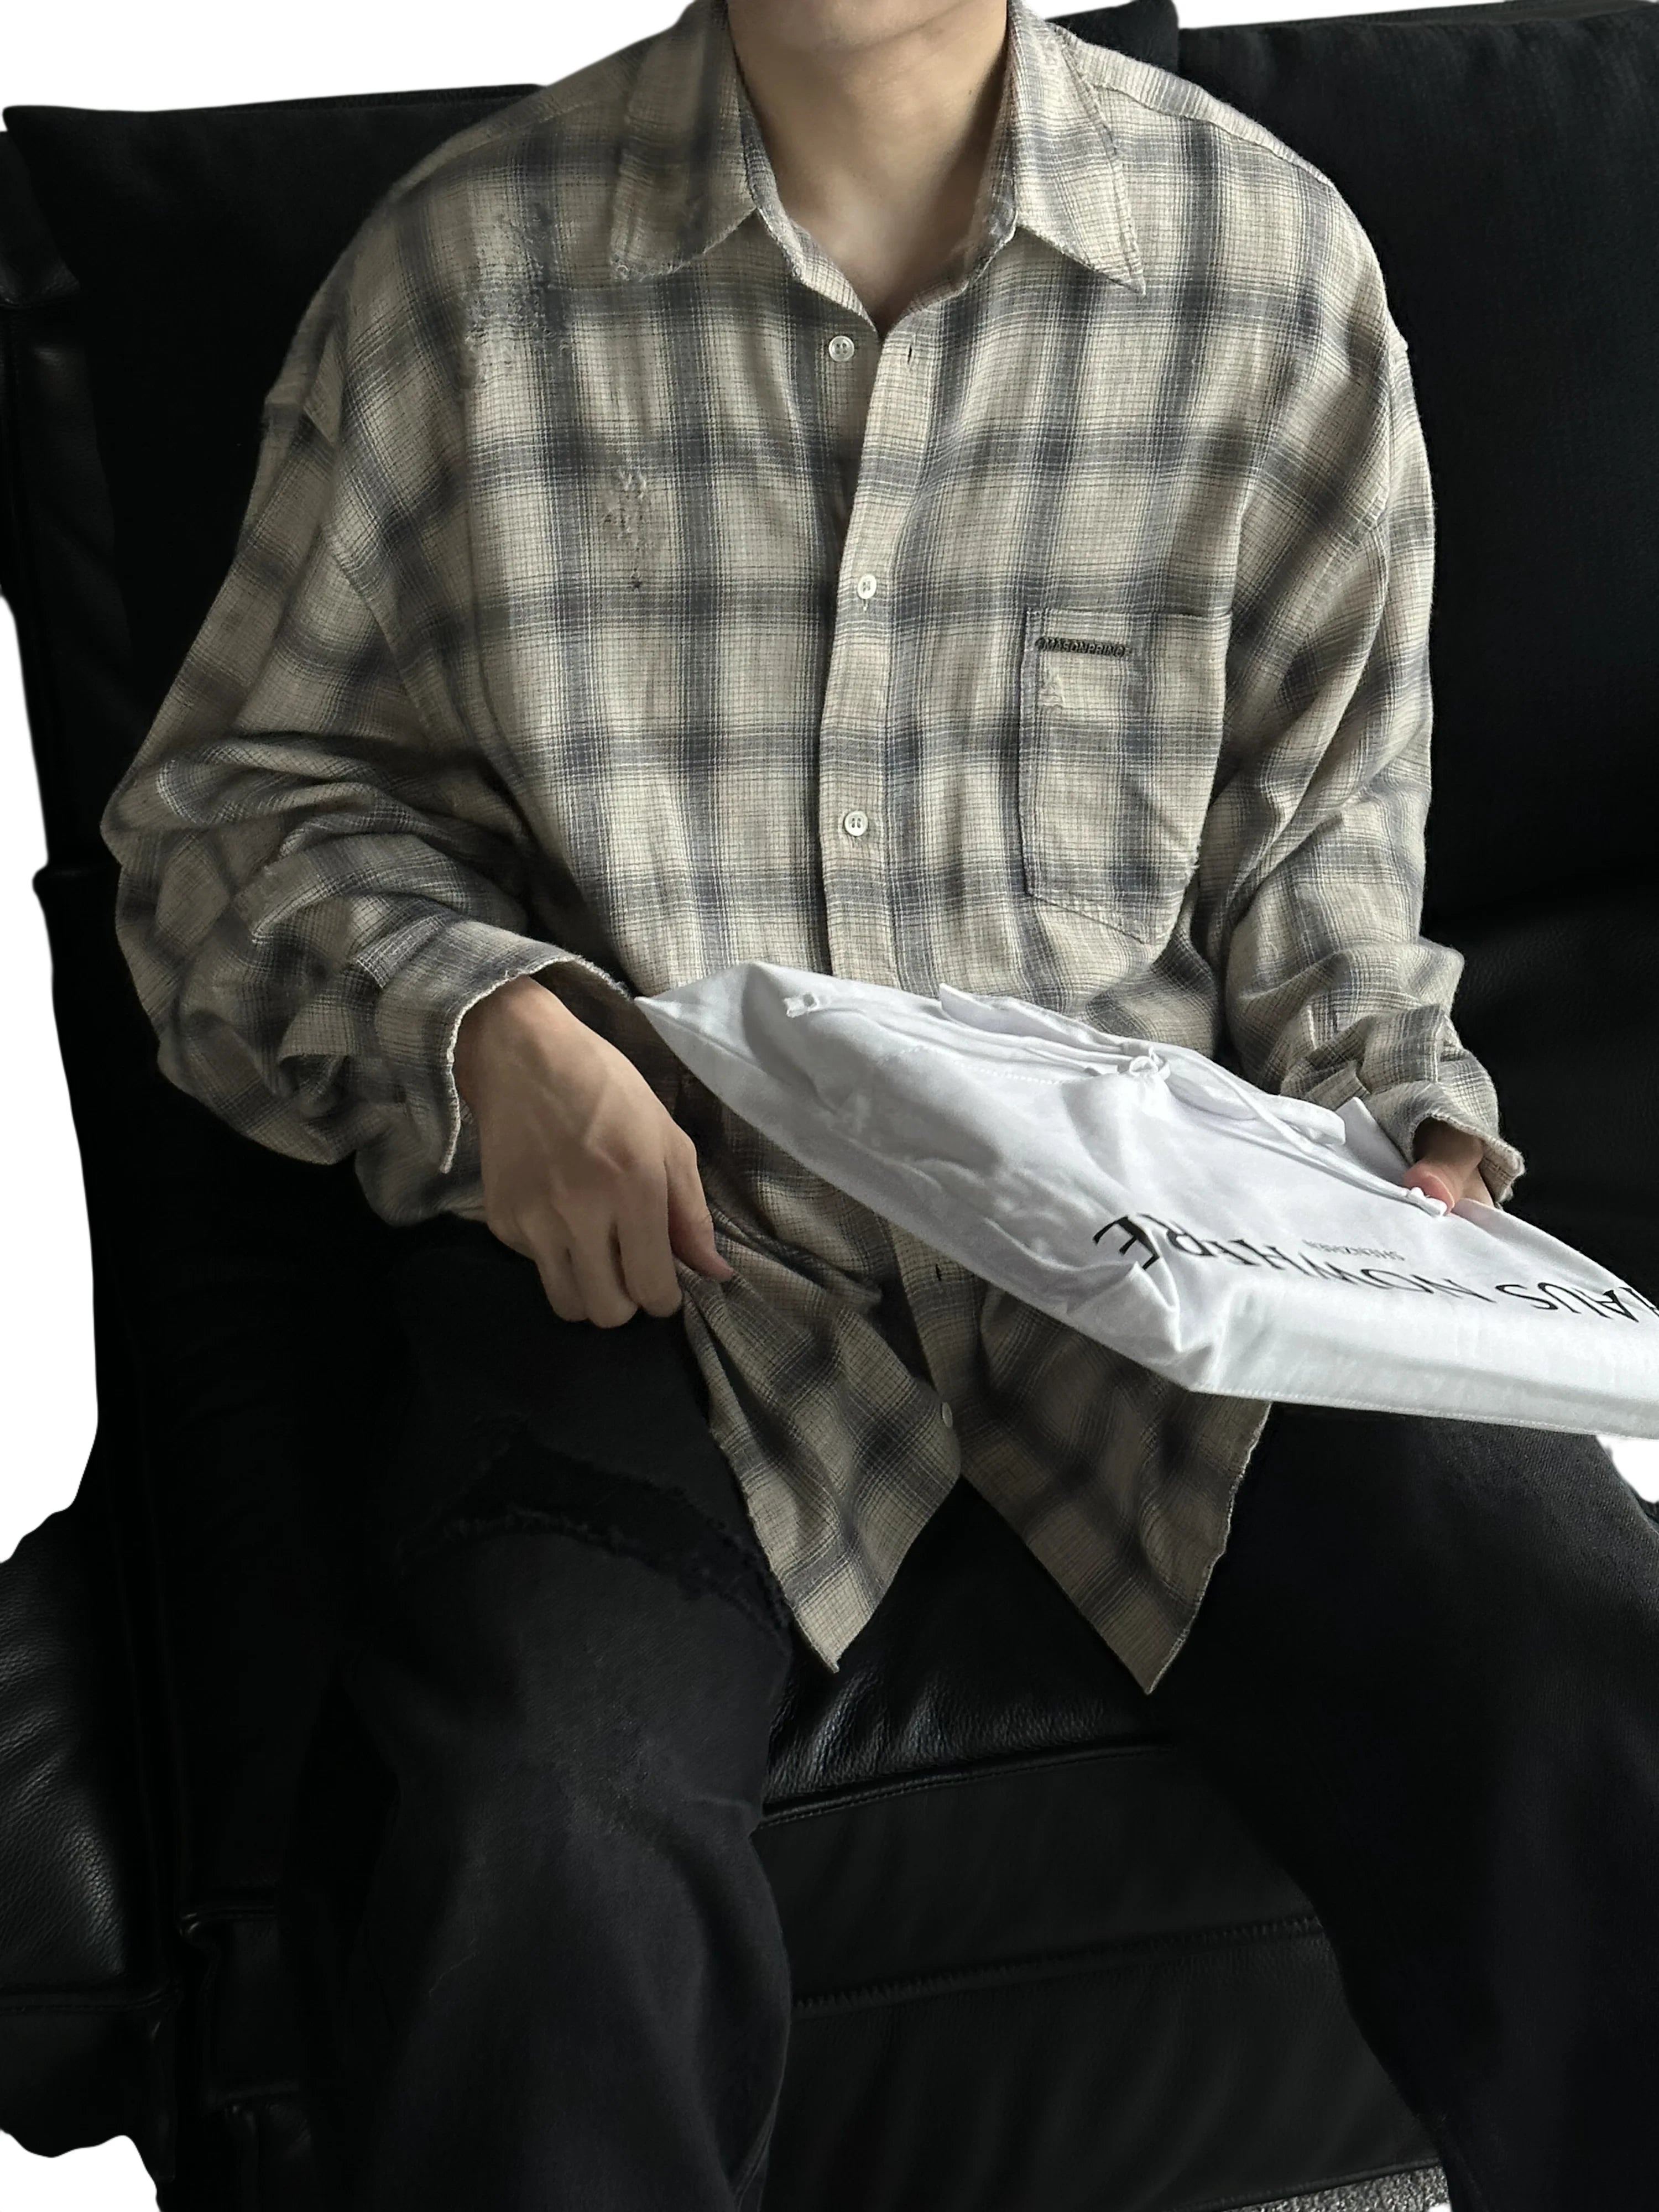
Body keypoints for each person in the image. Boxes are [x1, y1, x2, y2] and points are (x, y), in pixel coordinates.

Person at [97, 0, 1659, 2206]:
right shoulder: (457, 290)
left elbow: (1324, 876)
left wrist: (1403, 1130)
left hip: (1157, 1261)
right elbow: (224, 823)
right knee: (543, 1813)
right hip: (672, 1265)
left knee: (1586, 1660)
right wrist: (487, 1026)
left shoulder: (1267, 270)